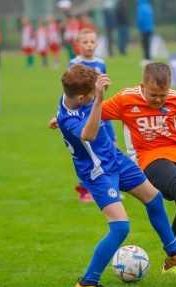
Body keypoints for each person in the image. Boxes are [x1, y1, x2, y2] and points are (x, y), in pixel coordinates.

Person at [50, 62, 176, 276]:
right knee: (126, 224)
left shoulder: (175, 98)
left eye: (163, 94)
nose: (159, 99)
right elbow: (88, 125)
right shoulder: (119, 100)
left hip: (156, 155)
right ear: (142, 87)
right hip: (126, 163)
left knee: (167, 200)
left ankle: (173, 257)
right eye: (153, 94)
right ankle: (87, 283)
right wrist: (66, 118)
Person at [67, 28, 120, 202]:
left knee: (112, 147)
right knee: (88, 152)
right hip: (84, 114)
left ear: (97, 43)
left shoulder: (101, 63)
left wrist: (104, 86)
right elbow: (70, 92)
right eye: (85, 42)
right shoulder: (73, 64)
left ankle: (112, 188)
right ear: (77, 45)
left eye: (92, 42)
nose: (89, 45)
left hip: (101, 111)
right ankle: (84, 191)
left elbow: (102, 89)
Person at [136, 0, 154, 65]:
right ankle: (148, 57)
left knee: (144, 44)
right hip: (150, 27)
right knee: (148, 44)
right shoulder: (149, 6)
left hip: (144, 28)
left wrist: (139, 26)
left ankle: (146, 58)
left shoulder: (141, 7)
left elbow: (141, 18)